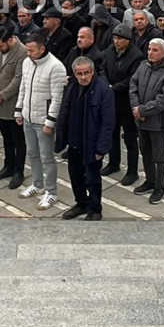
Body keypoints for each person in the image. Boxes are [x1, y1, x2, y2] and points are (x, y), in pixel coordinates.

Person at [55, 57, 114, 221]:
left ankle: (95, 209)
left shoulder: (103, 90)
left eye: (87, 73)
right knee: (75, 176)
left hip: (92, 144)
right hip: (74, 142)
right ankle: (81, 203)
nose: (83, 77)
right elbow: (64, 112)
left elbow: (108, 123)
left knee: (93, 178)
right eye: (79, 74)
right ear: (74, 73)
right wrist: (61, 139)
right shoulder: (72, 87)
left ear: (93, 72)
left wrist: (101, 149)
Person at [14, 32, 66, 211]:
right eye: (27, 50)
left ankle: (51, 192)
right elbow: (23, 87)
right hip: (28, 117)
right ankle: (37, 184)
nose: (28, 53)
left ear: (42, 48)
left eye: (31, 50)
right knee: (32, 153)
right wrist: (18, 110)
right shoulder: (27, 62)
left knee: (47, 157)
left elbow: (57, 98)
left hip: (43, 121)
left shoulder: (56, 67)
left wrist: (50, 122)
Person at [129, 38, 164, 205]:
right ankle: (150, 181)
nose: (150, 52)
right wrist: (136, 107)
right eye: (149, 49)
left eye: (155, 50)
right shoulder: (143, 65)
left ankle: (160, 187)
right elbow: (133, 85)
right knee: (146, 152)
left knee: (159, 157)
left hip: (158, 122)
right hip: (141, 120)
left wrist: (143, 110)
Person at [102, 23, 144, 185]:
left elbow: (132, 79)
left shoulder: (136, 55)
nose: (116, 41)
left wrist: (113, 88)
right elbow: (102, 69)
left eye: (120, 39)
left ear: (128, 40)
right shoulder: (109, 51)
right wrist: (106, 85)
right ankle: (113, 163)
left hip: (127, 101)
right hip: (111, 100)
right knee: (112, 134)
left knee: (130, 138)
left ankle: (132, 171)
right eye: (114, 38)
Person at [0, 27, 25, 188]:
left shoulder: (22, 52)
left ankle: (18, 171)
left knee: (18, 140)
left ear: (10, 40)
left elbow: (18, 79)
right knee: (6, 138)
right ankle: (8, 166)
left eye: (1, 46)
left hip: (12, 103)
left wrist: (2, 94)